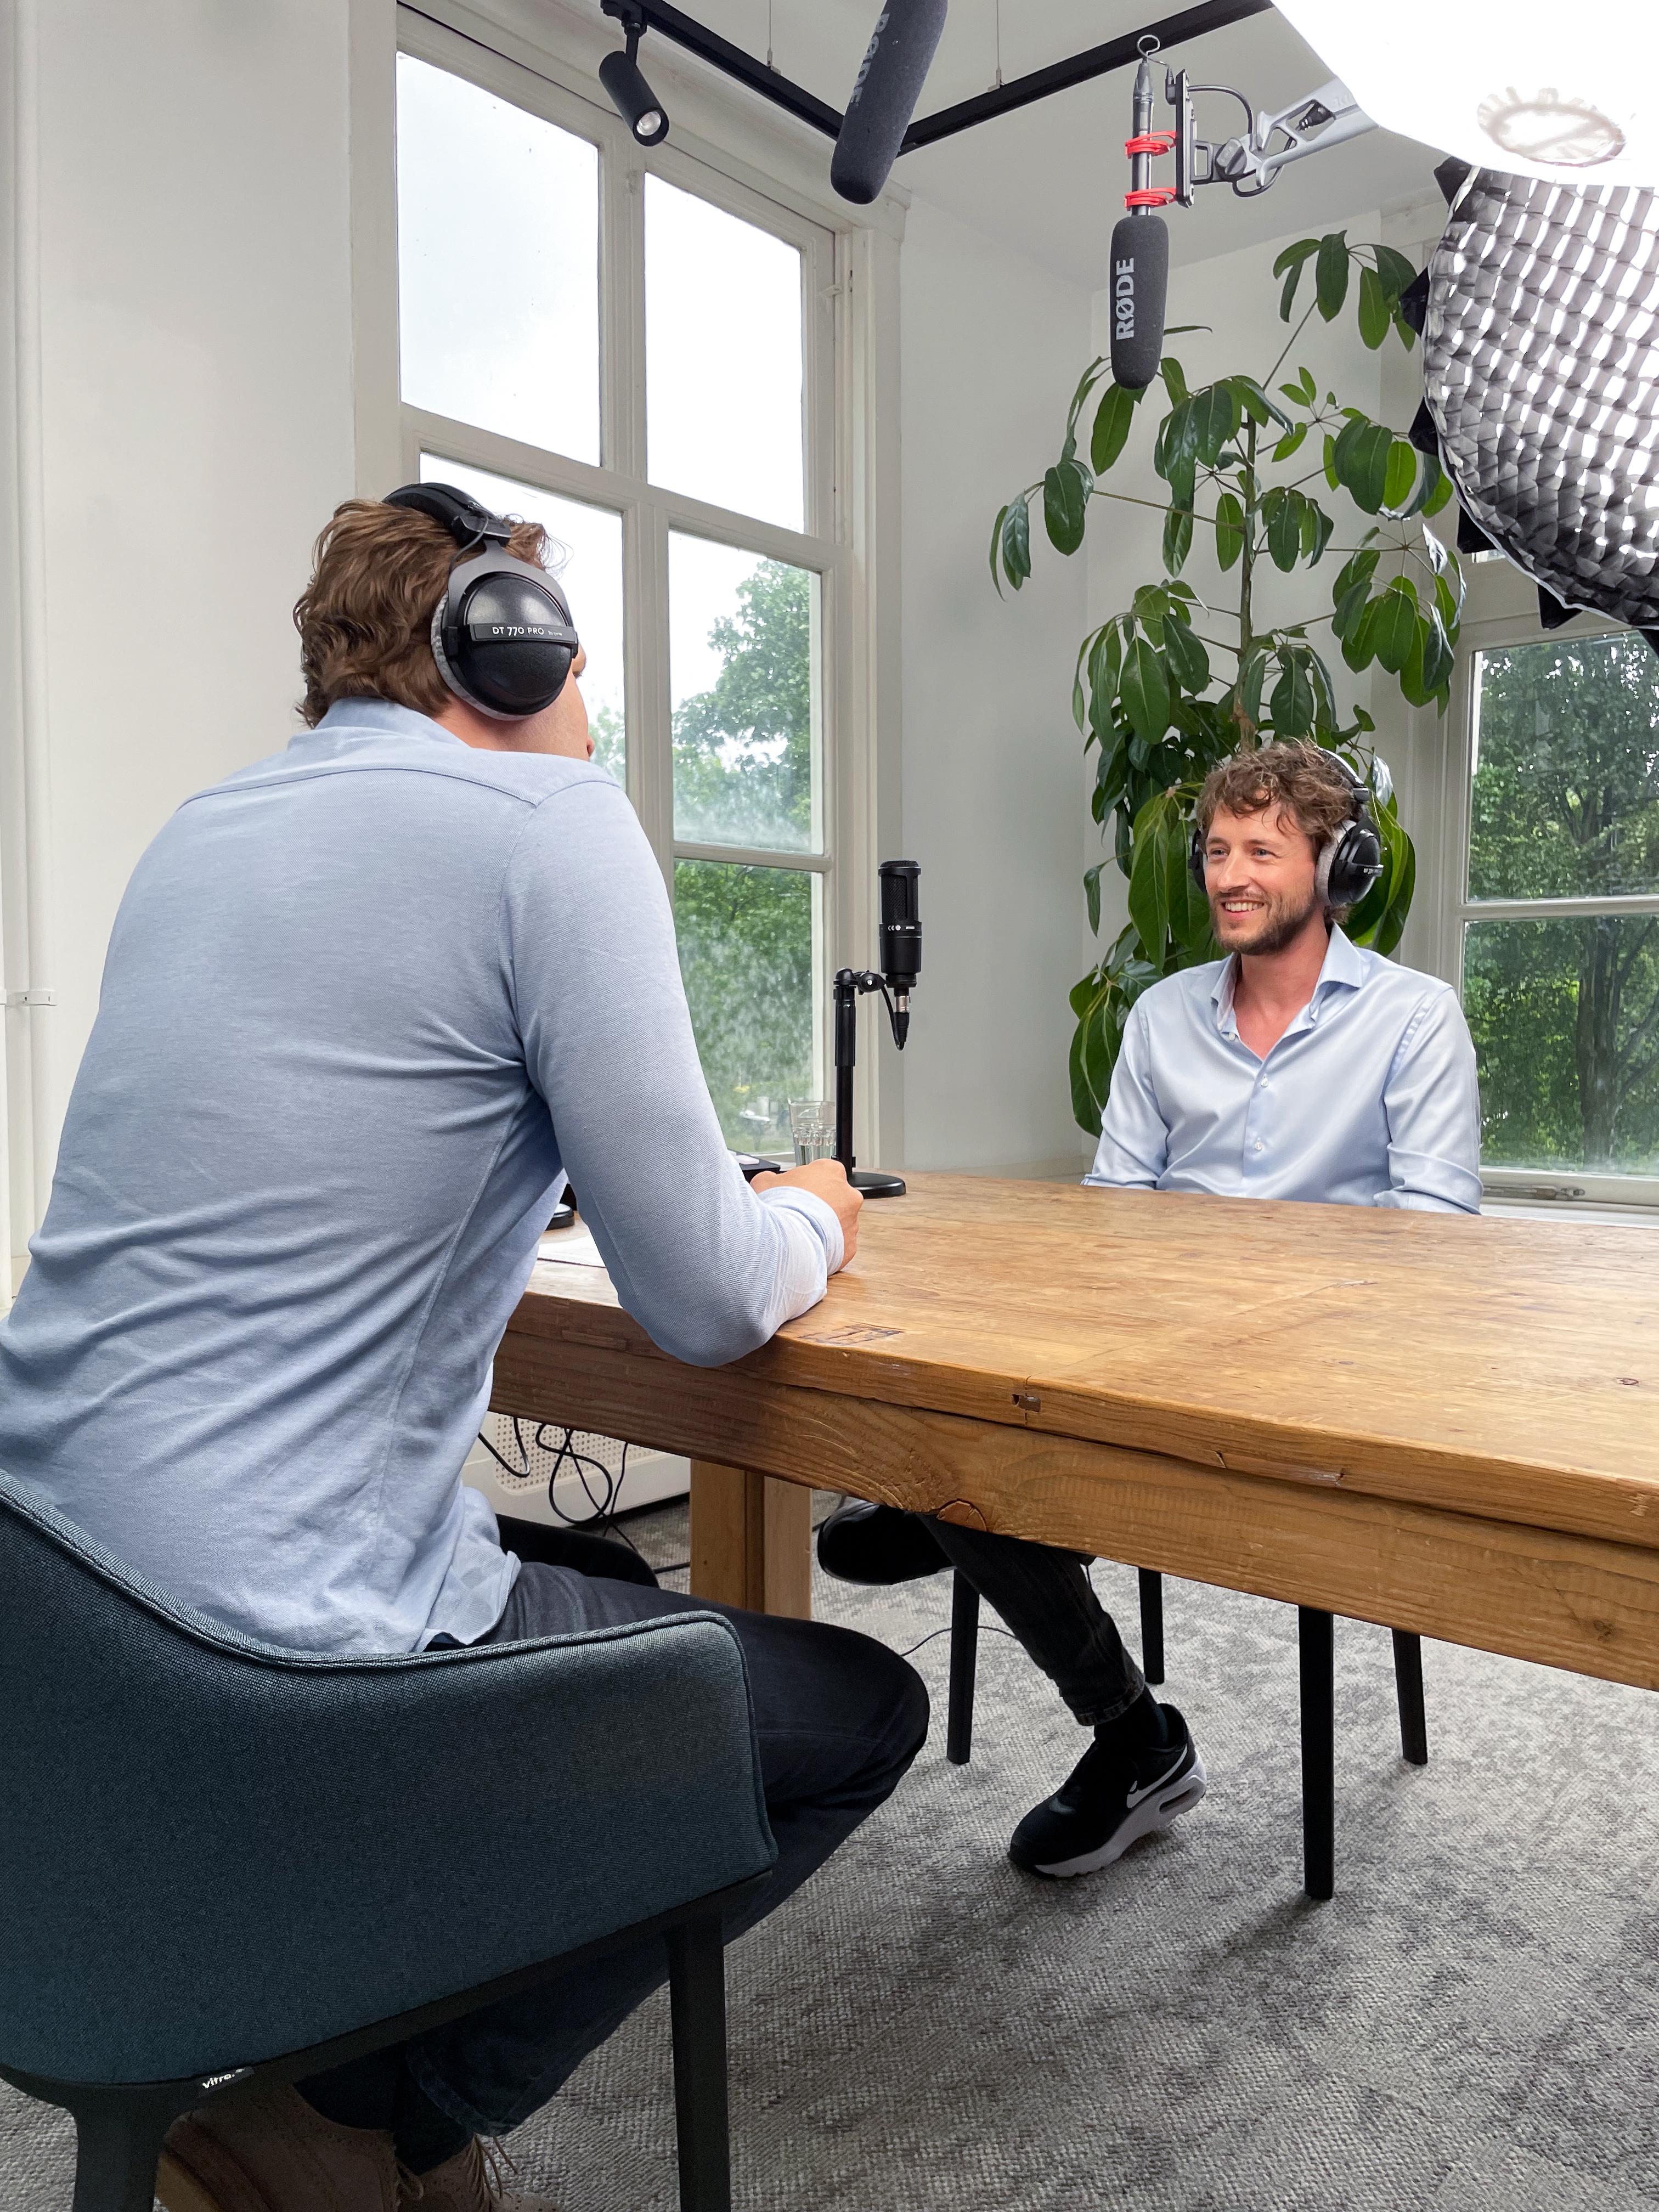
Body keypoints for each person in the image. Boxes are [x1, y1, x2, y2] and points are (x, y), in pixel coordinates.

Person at [0, 484, 928, 2212]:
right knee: (858, 1710)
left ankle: (341, 2065)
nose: (591, 692)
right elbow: (713, 1301)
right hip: (269, 1674)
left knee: (573, 1571)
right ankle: (361, 2127)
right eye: (575, 648)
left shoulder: (199, 833)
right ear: (503, 644)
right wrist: (813, 1207)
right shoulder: (549, 823)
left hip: (53, 1637)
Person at [819, 738, 1480, 1882]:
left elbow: (1430, 1252)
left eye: (1262, 850)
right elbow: (1113, 1219)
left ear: (1339, 865)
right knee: (968, 1417)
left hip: (1325, 1376)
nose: (1229, 874)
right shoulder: (1164, 1016)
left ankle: (969, 1516)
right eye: (1217, 850)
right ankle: (1131, 1734)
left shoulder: (1415, 1019)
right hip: (1159, 1353)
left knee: (975, 1485)